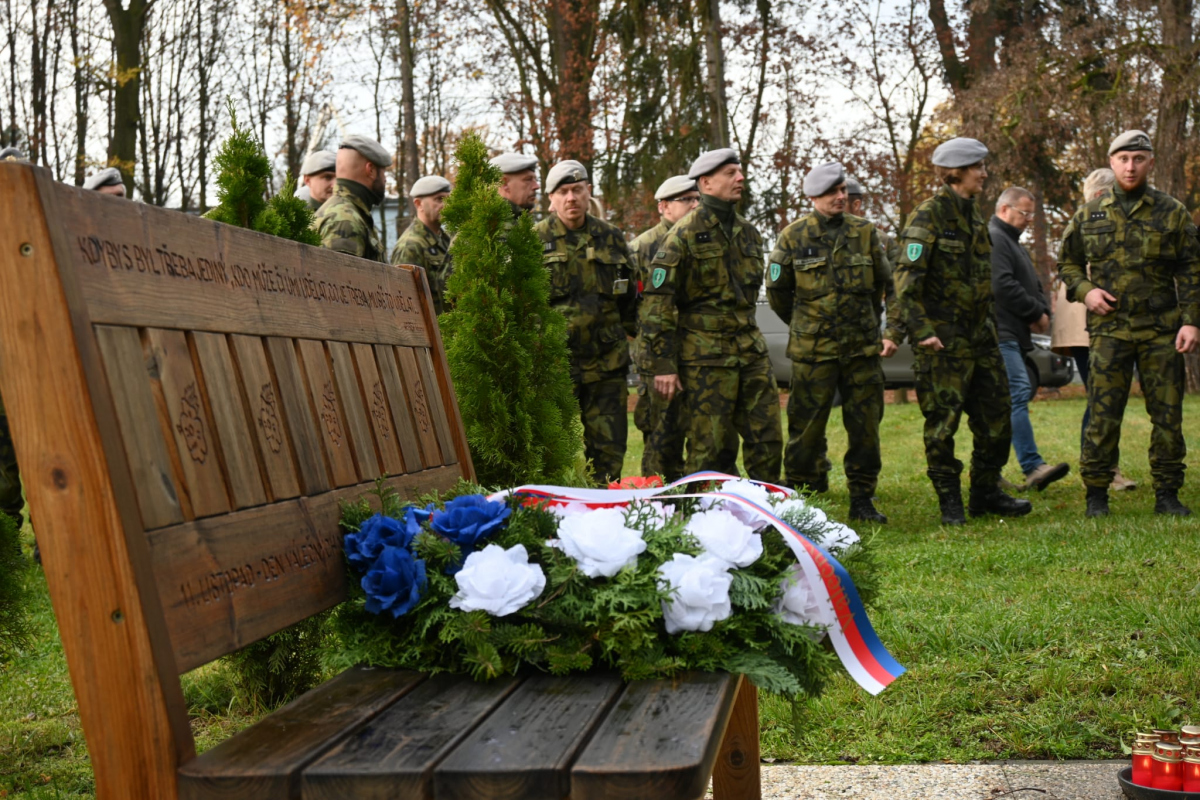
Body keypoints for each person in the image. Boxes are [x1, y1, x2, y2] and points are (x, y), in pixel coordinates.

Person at [1058, 130, 1200, 517]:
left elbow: (1191, 268)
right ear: (1112, 162)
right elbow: (1067, 263)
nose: (1130, 166)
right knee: (1103, 414)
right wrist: (1085, 290)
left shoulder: (1172, 212)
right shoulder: (1090, 214)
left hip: (1161, 330)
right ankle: (1096, 495)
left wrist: (1192, 322)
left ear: (1150, 162)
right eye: (1123, 159)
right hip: (1110, 330)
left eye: (1138, 158)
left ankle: (1167, 493)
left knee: (1167, 414)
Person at [894, 137, 1032, 525]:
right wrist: (923, 330)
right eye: (978, 167)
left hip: (980, 339)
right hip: (942, 342)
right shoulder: (929, 216)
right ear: (956, 172)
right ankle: (950, 501)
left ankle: (985, 493)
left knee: (997, 418)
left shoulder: (974, 216)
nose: (984, 173)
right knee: (942, 427)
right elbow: (905, 281)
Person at [767, 162, 901, 523]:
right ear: (813, 197)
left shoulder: (865, 233)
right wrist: (805, 326)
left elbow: (887, 285)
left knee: (865, 429)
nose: (840, 197)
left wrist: (886, 330)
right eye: (832, 192)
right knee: (806, 429)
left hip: (861, 351)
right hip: (813, 353)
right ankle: (801, 497)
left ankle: (862, 498)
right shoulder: (793, 236)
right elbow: (777, 291)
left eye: (842, 190)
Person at [640, 148, 782, 482]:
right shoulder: (683, 235)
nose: (740, 178)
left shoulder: (749, 232)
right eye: (730, 173)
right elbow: (658, 305)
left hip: (750, 353)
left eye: (739, 171)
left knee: (768, 438)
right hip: (705, 359)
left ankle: (766, 507)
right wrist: (664, 365)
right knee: (710, 448)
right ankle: (702, 510)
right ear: (706, 183)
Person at [534, 160, 636, 483]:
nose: (571, 198)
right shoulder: (534, 240)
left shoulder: (611, 237)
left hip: (606, 366)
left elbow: (631, 298)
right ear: (551, 198)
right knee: (550, 455)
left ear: (588, 191)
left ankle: (605, 509)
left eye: (577, 190)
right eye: (563, 192)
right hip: (555, 367)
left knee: (609, 454)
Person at [1050, 168, 1137, 491]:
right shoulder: (1091, 223)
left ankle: (1103, 468)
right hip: (1089, 326)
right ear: (1102, 194)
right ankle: (1103, 470)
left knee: (1103, 399)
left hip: (1095, 325)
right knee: (1102, 400)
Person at [990, 186, 1070, 491]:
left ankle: (990, 472)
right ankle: (1032, 466)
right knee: (1017, 391)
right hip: (1002, 332)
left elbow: (1031, 284)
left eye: (1031, 214)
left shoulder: (1011, 241)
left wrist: (1042, 309)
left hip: (1014, 333)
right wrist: (1036, 312)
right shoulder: (996, 238)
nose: (1028, 220)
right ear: (1004, 210)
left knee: (1002, 401)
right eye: (1025, 213)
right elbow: (1002, 285)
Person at [629, 175, 700, 482]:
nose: (695, 205)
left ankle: (699, 497)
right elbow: (630, 307)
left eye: (697, 199)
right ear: (664, 207)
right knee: (661, 439)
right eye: (686, 200)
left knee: (701, 435)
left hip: (699, 352)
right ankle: (658, 498)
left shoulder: (701, 242)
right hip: (657, 359)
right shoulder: (642, 248)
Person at [312, 135, 392, 262]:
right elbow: (341, 274)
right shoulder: (345, 221)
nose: (385, 179)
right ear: (370, 170)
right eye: (383, 172)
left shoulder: (344, 211)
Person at [390, 175, 453, 313]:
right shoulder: (410, 246)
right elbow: (403, 304)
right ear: (419, 204)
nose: (446, 205)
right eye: (439, 199)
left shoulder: (445, 239)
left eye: (449, 199)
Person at [490, 153, 540, 219]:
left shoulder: (514, 219)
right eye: (528, 179)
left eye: (535, 180)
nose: (536, 186)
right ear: (504, 184)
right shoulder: (491, 222)